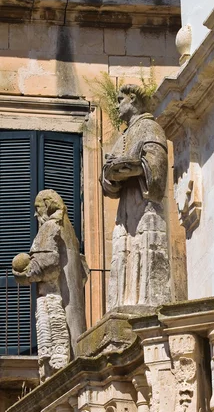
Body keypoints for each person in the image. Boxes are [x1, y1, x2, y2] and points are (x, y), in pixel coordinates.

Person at [101, 84, 171, 309]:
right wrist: (110, 176)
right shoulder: (124, 136)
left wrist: (135, 167)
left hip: (145, 205)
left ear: (132, 99)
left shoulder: (150, 127)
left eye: (119, 99)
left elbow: (157, 166)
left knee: (144, 252)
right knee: (125, 254)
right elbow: (107, 181)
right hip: (126, 209)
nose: (116, 105)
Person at [12, 190, 88, 382]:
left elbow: (49, 263)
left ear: (47, 206)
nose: (35, 214)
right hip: (62, 299)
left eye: (38, 208)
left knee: (54, 348)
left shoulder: (49, 228)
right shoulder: (67, 231)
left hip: (51, 298)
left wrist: (24, 274)